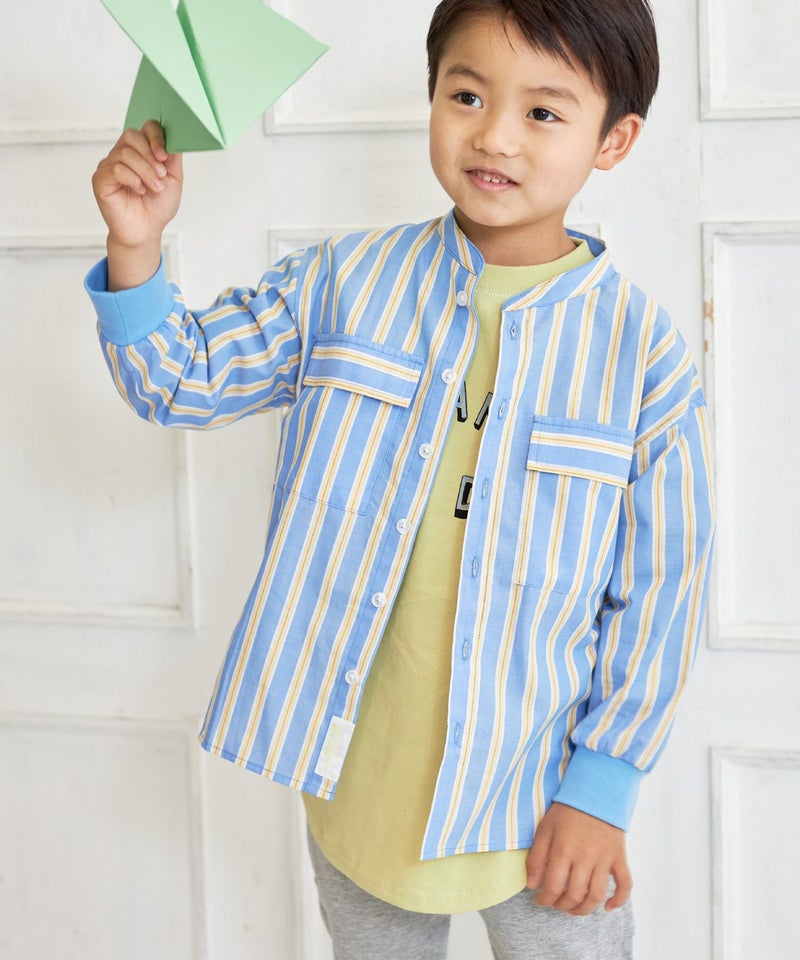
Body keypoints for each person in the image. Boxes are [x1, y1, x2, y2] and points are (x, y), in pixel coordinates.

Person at [85, 1, 715, 957]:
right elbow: (182, 380)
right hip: (359, 786)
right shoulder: (343, 282)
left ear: (614, 140)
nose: (495, 135)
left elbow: (662, 590)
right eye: (467, 95)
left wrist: (603, 787)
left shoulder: (645, 357)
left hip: (538, 803)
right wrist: (135, 247)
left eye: (543, 112)